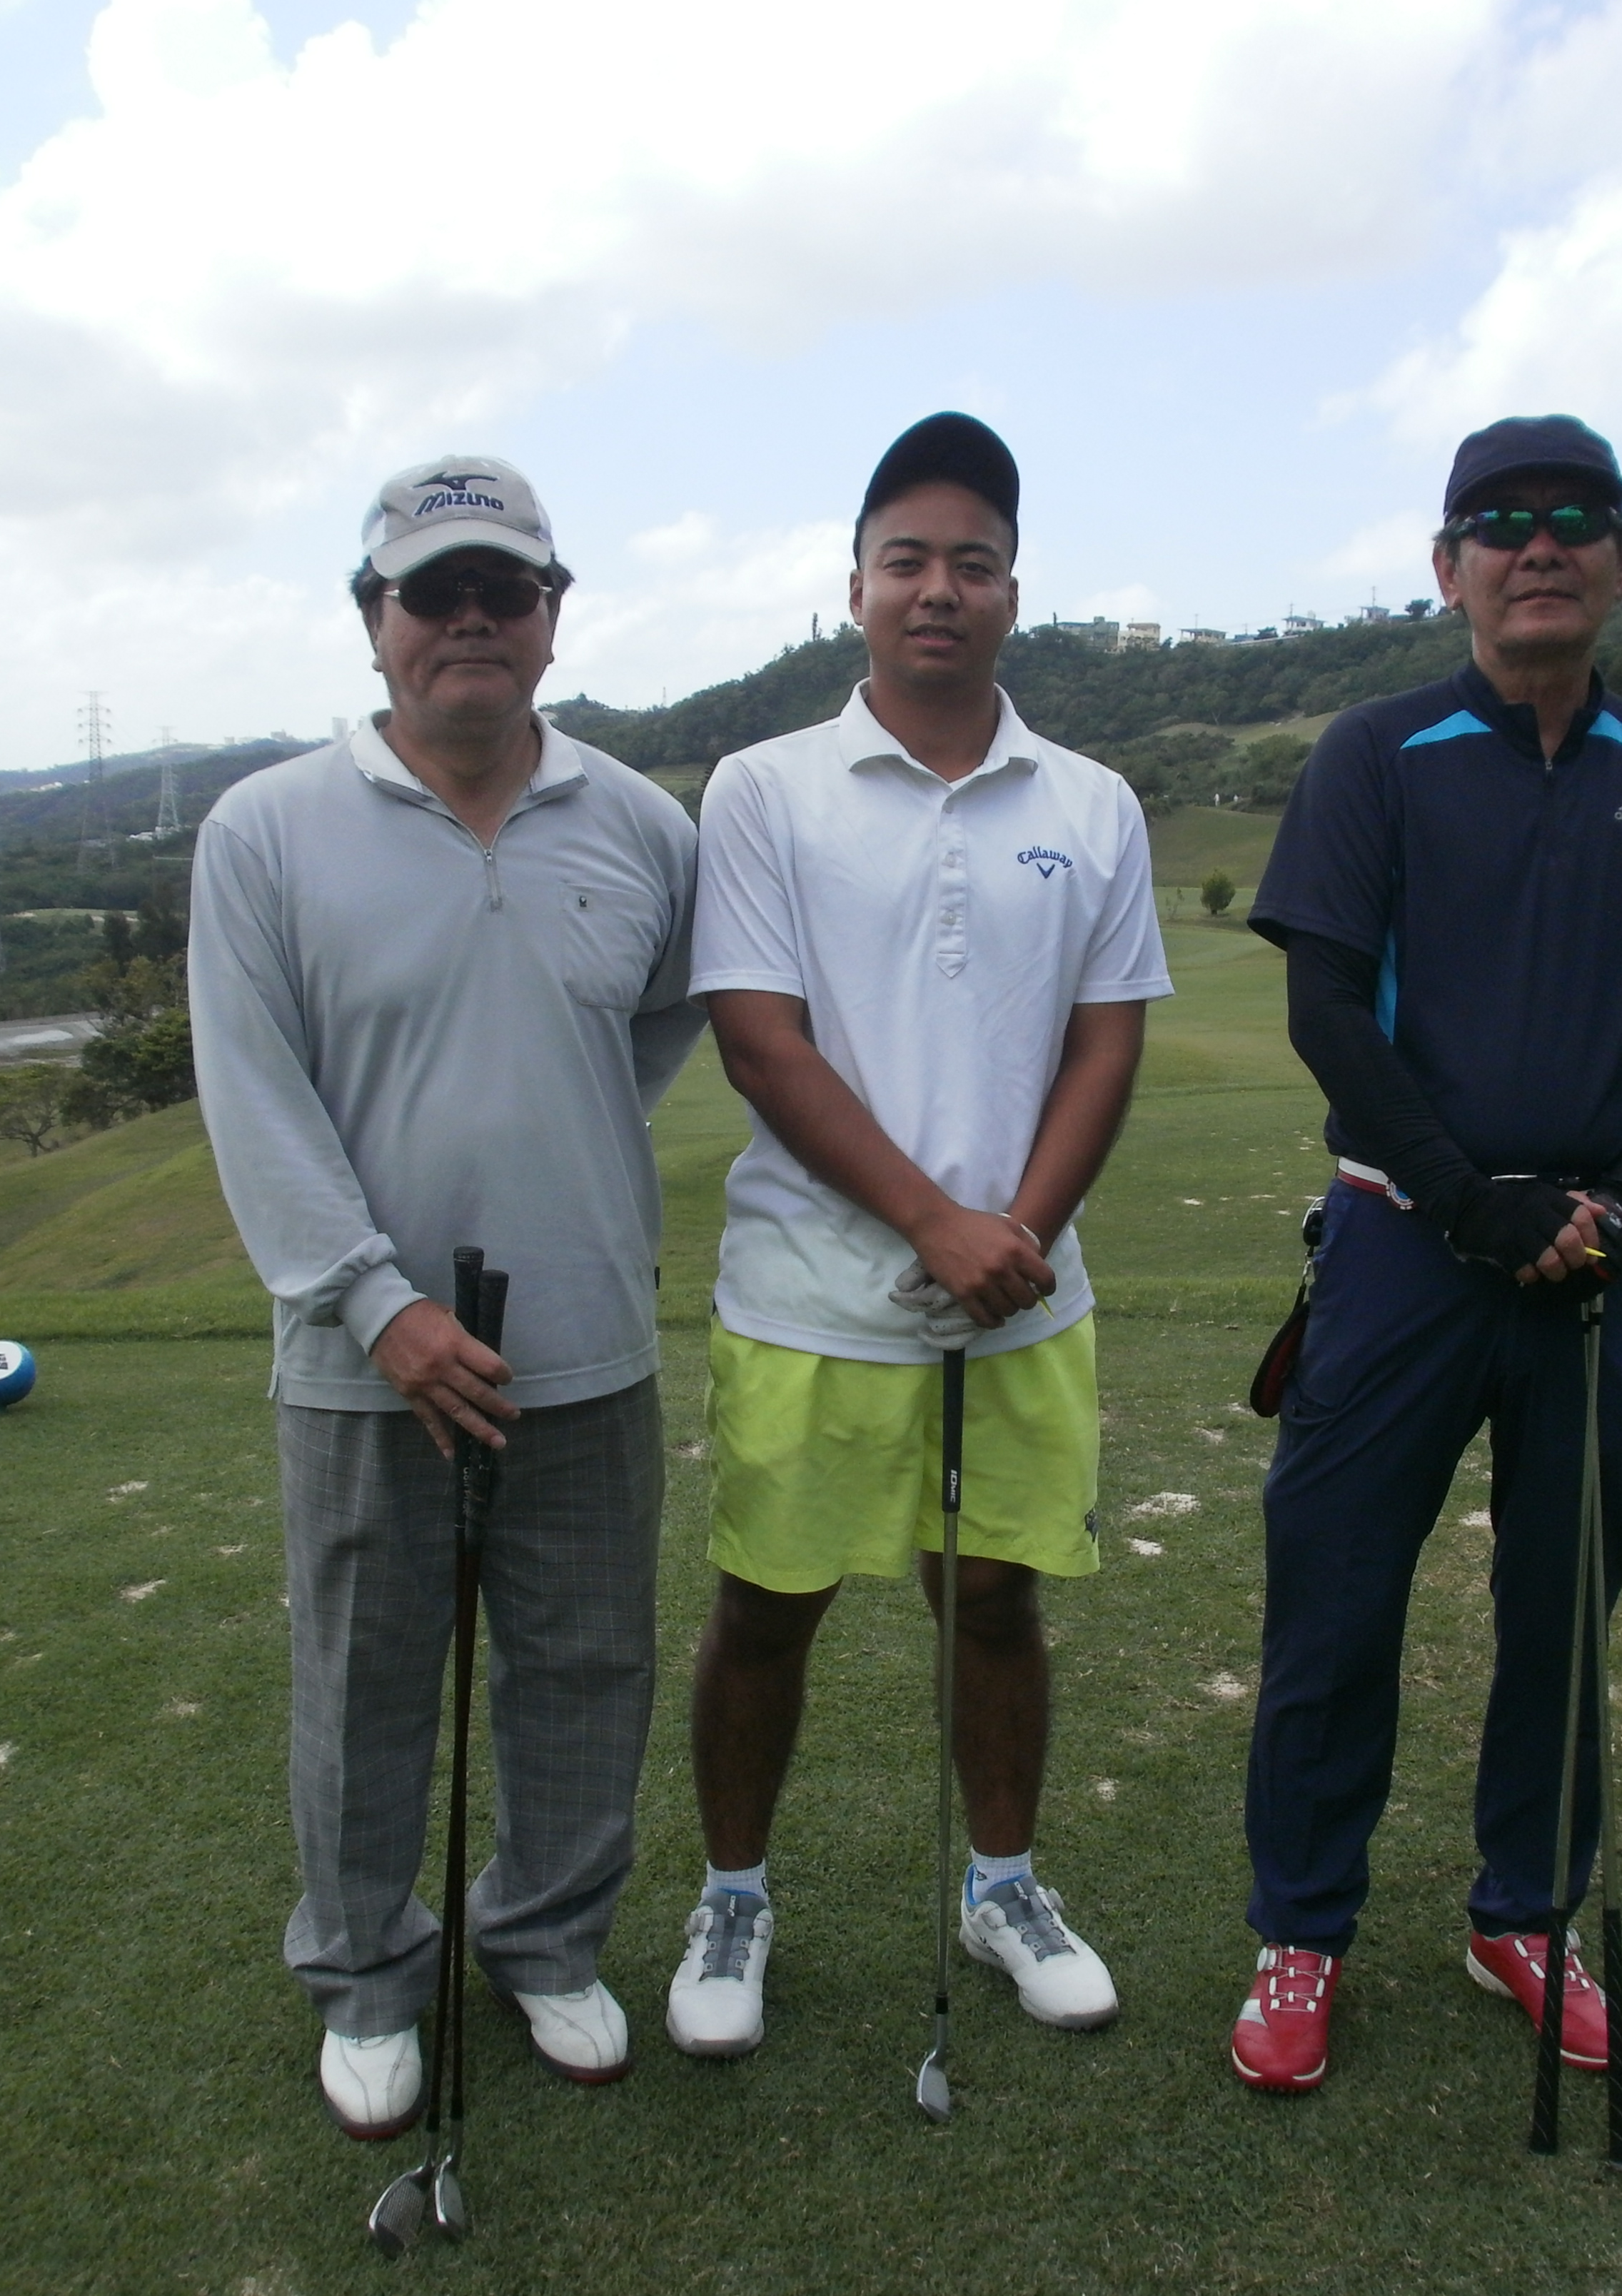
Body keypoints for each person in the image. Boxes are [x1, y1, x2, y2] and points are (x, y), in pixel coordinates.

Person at [1225, 416, 1622, 2093]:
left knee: (1560, 1607)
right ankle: (1301, 1932)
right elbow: (1326, 1004)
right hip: (1404, 1247)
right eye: (1498, 521)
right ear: (1446, 565)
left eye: (1573, 517)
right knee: (1334, 1598)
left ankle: (1522, 1914)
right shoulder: (1374, 751)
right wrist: (1468, 1200)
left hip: (1597, 1260)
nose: (1536, 545)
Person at [191, 455, 702, 2134]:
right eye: (434, 591)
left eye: (504, 589)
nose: (470, 618)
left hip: (585, 1339)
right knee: (364, 1681)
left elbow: (652, 1024)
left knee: (583, 1664)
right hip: (364, 1363)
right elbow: (254, 1095)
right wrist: (373, 1300)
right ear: (374, 620)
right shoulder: (263, 830)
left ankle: (546, 1942)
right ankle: (363, 1975)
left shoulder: (642, 826)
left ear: (551, 618)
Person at [667, 413, 1171, 2058]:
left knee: (997, 1604)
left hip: (1021, 1298)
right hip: (807, 1299)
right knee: (764, 1610)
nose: (937, 588)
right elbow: (760, 1042)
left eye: (971, 562)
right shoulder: (763, 789)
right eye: (906, 561)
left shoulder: (1090, 802)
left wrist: (1011, 1232)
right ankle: (732, 1897)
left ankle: (1001, 1885)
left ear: (1013, 590)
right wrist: (931, 1220)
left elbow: (1105, 1043)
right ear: (856, 589)